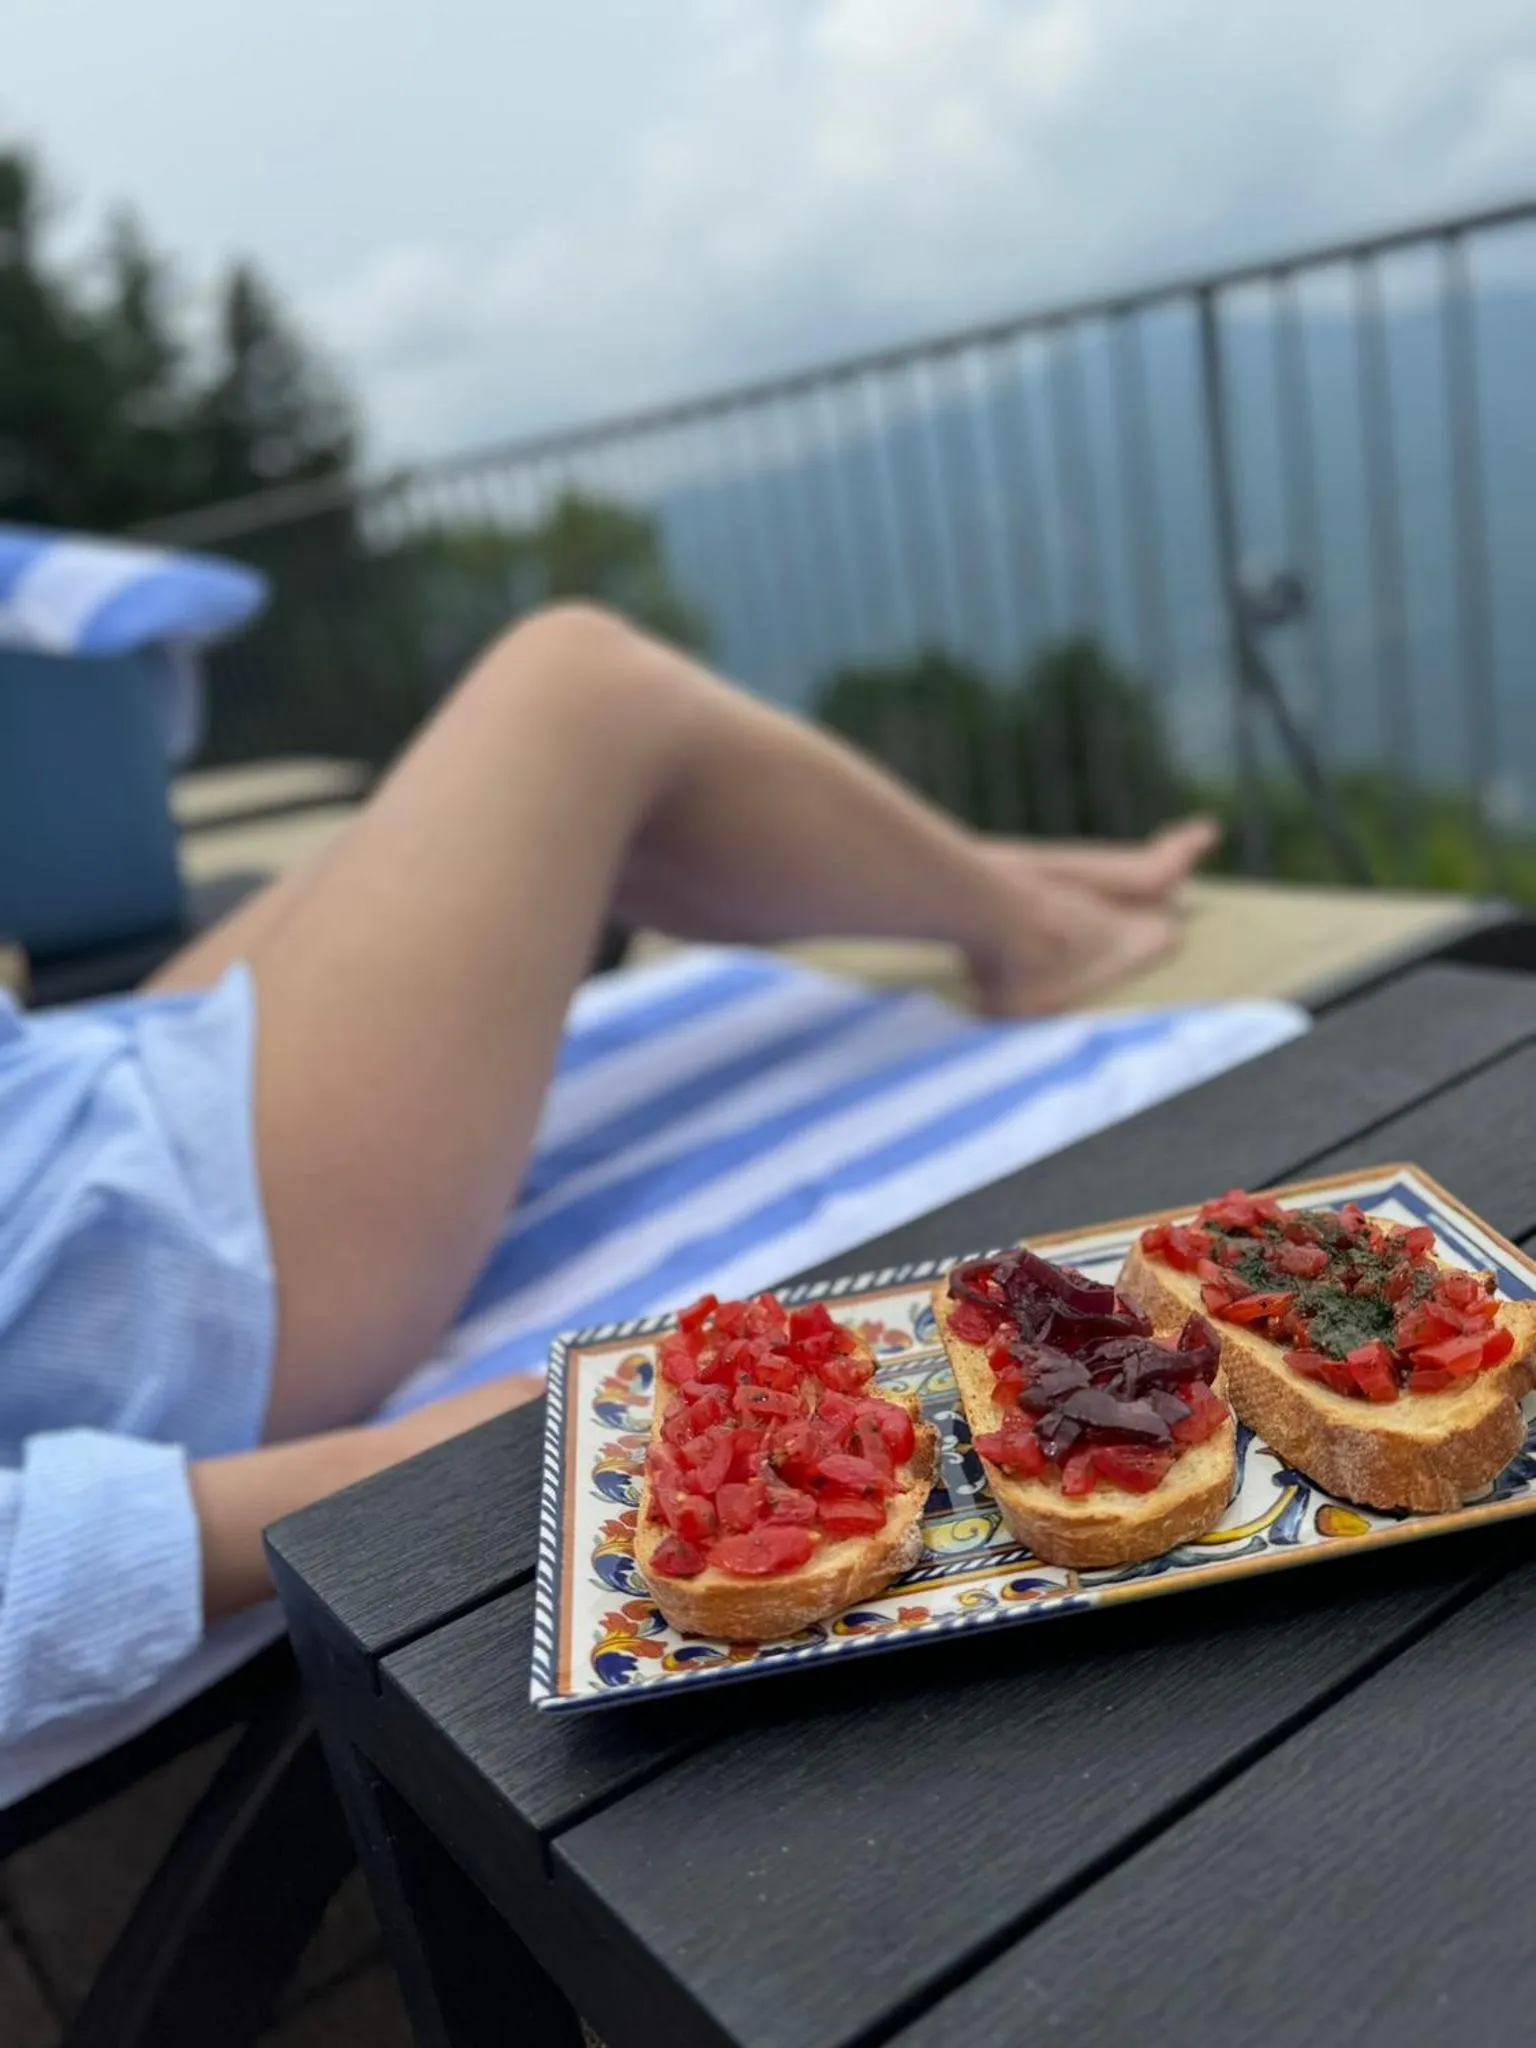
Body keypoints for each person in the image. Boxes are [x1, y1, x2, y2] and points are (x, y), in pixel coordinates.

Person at [0, 604, 1215, 1740]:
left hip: (65, 1094)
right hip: (139, 1271)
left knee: (545, 798)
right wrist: (347, 1472)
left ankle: (985, 880)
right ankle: (1029, 922)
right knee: (574, 683)